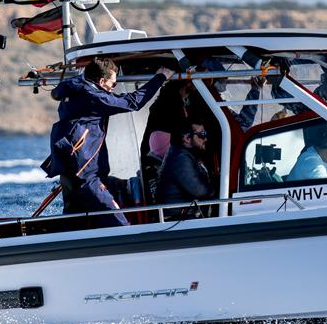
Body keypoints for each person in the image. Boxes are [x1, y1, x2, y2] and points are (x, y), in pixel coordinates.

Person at [48, 57, 174, 227]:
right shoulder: (92, 97)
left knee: (75, 223)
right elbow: (132, 102)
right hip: (86, 175)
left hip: (71, 174)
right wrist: (160, 77)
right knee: (118, 222)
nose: (113, 89)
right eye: (113, 84)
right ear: (101, 81)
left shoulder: (74, 89)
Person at [155, 119, 214, 219]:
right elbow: (198, 190)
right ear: (187, 138)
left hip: (183, 214)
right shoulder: (180, 158)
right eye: (202, 134)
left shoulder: (182, 154)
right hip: (178, 217)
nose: (205, 139)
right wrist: (214, 190)